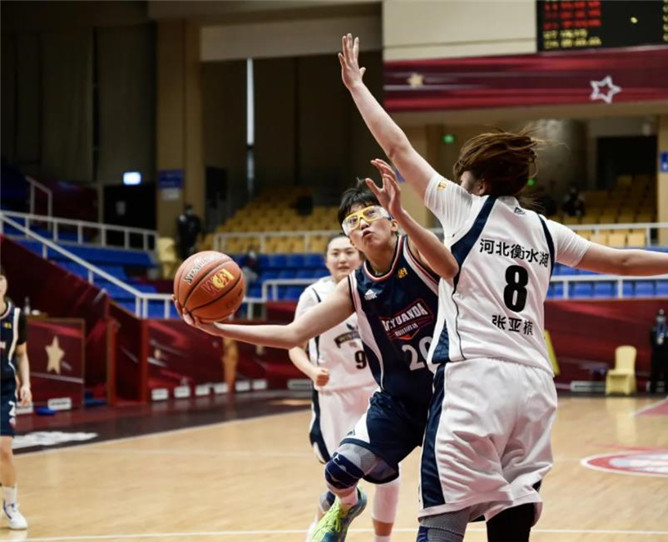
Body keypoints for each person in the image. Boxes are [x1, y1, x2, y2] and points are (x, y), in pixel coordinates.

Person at [337, 33, 668, 542]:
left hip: (475, 378)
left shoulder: (463, 207)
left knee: (444, 515)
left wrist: (356, 87)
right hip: (533, 387)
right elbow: (620, 261)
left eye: (463, 174)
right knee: (511, 511)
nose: (456, 179)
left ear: (480, 182)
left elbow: (397, 146)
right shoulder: (547, 231)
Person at [177, 163, 458, 542]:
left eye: (371, 214)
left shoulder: (418, 252)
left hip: (449, 395)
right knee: (338, 472)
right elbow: (293, 334)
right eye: (352, 222)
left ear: (391, 221)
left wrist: (404, 213)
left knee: (443, 504)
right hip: (399, 402)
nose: (363, 224)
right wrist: (217, 328)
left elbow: (451, 265)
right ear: (350, 239)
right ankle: (347, 506)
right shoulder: (353, 288)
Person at [289, 234, 393, 541]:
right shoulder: (314, 295)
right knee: (340, 478)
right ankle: (319, 529)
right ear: (326, 261)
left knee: (389, 475)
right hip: (335, 396)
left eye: (348, 251)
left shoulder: (378, 288)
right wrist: (311, 370)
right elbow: (294, 345)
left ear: (360, 255)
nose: (342, 258)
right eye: (335, 253)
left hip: (375, 392)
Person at [0, 266, 31, 530]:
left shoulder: (17, 316)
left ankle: (10, 506)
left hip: (4, 389)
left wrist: (27, 384)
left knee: (4, 447)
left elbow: (21, 354)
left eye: (0, 279)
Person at [648, 309, 668, 394]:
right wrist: (656, 346)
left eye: (662, 316)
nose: (661, 318)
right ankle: (653, 389)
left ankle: (667, 389)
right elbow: (651, 340)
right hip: (656, 352)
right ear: (657, 317)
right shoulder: (653, 328)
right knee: (655, 371)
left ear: (665, 317)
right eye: (659, 316)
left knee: (667, 371)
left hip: (667, 353)